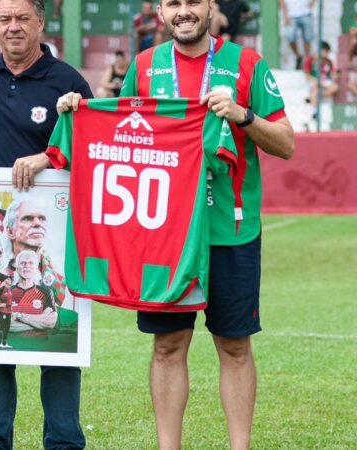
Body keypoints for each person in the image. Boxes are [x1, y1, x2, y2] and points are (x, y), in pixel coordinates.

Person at [59, 0, 294, 448]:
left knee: (234, 346)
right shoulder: (145, 65)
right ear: (161, 13)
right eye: (173, 4)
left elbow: (286, 143)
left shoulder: (246, 63)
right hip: (165, 235)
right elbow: (122, 131)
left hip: (230, 230)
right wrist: (79, 109)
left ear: (210, 7)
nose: (183, 11)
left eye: (192, 2)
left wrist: (244, 115)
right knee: (167, 346)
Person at [0, 0, 92, 447]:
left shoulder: (67, 82)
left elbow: (94, 145)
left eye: (23, 18)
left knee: (59, 347)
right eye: (4, 19)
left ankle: (64, 442)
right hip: (0, 235)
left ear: (41, 23)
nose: (14, 27)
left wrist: (48, 157)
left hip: (56, 236)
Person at [304, 40, 338, 117]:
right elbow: (307, 74)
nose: (326, 54)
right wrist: (313, 79)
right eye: (325, 51)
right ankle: (314, 111)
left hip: (324, 81)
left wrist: (335, 74)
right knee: (315, 86)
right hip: (314, 80)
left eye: (327, 52)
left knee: (335, 87)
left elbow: (333, 74)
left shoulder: (329, 61)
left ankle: (318, 97)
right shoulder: (312, 59)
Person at [279, 0, 315, 70]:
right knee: (290, 37)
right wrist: (285, 15)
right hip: (291, 15)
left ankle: (307, 63)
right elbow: (282, 1)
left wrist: (312, 4)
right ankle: (298, 56)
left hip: (306, 13)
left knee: (307, 39)